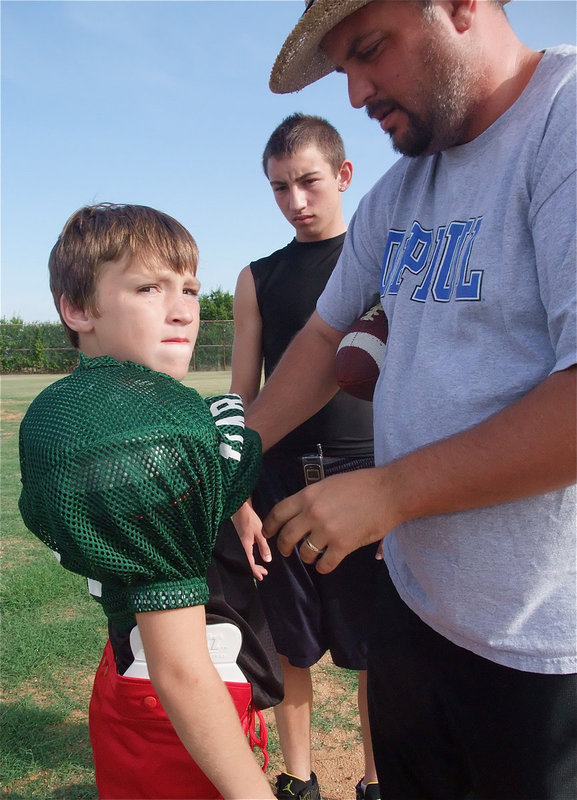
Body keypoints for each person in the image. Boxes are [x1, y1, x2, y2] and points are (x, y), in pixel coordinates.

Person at [245, 1, 577, 797]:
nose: (354, 94)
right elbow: (326, 341)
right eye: (341, 71)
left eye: (367, 51)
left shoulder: (559, 127)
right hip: (415, 612)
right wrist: (239, 452)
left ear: (461, 6)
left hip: (543, 648)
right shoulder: (398, 192)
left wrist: (391, 491)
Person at [18, 203, 274, 800]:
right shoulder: (144, 436)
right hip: (178, 700)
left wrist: (233, 501)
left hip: (124, 675)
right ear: (78, 309)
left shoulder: (82, 415)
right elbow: (181, 673)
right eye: (149, 287)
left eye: (189, 287)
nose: (184, 309)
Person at [231, 113, 381, 800]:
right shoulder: (257, 277)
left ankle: (377, 781)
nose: (295, 200)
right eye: (279, 187)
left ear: (343, 176)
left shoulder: (383, 262)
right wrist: (238, 498)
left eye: (309, 182)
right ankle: (300, 777)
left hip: (367, 479)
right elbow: (240, 400)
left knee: (373, 651)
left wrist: (399, 496)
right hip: (278, 483)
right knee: (292, 646)